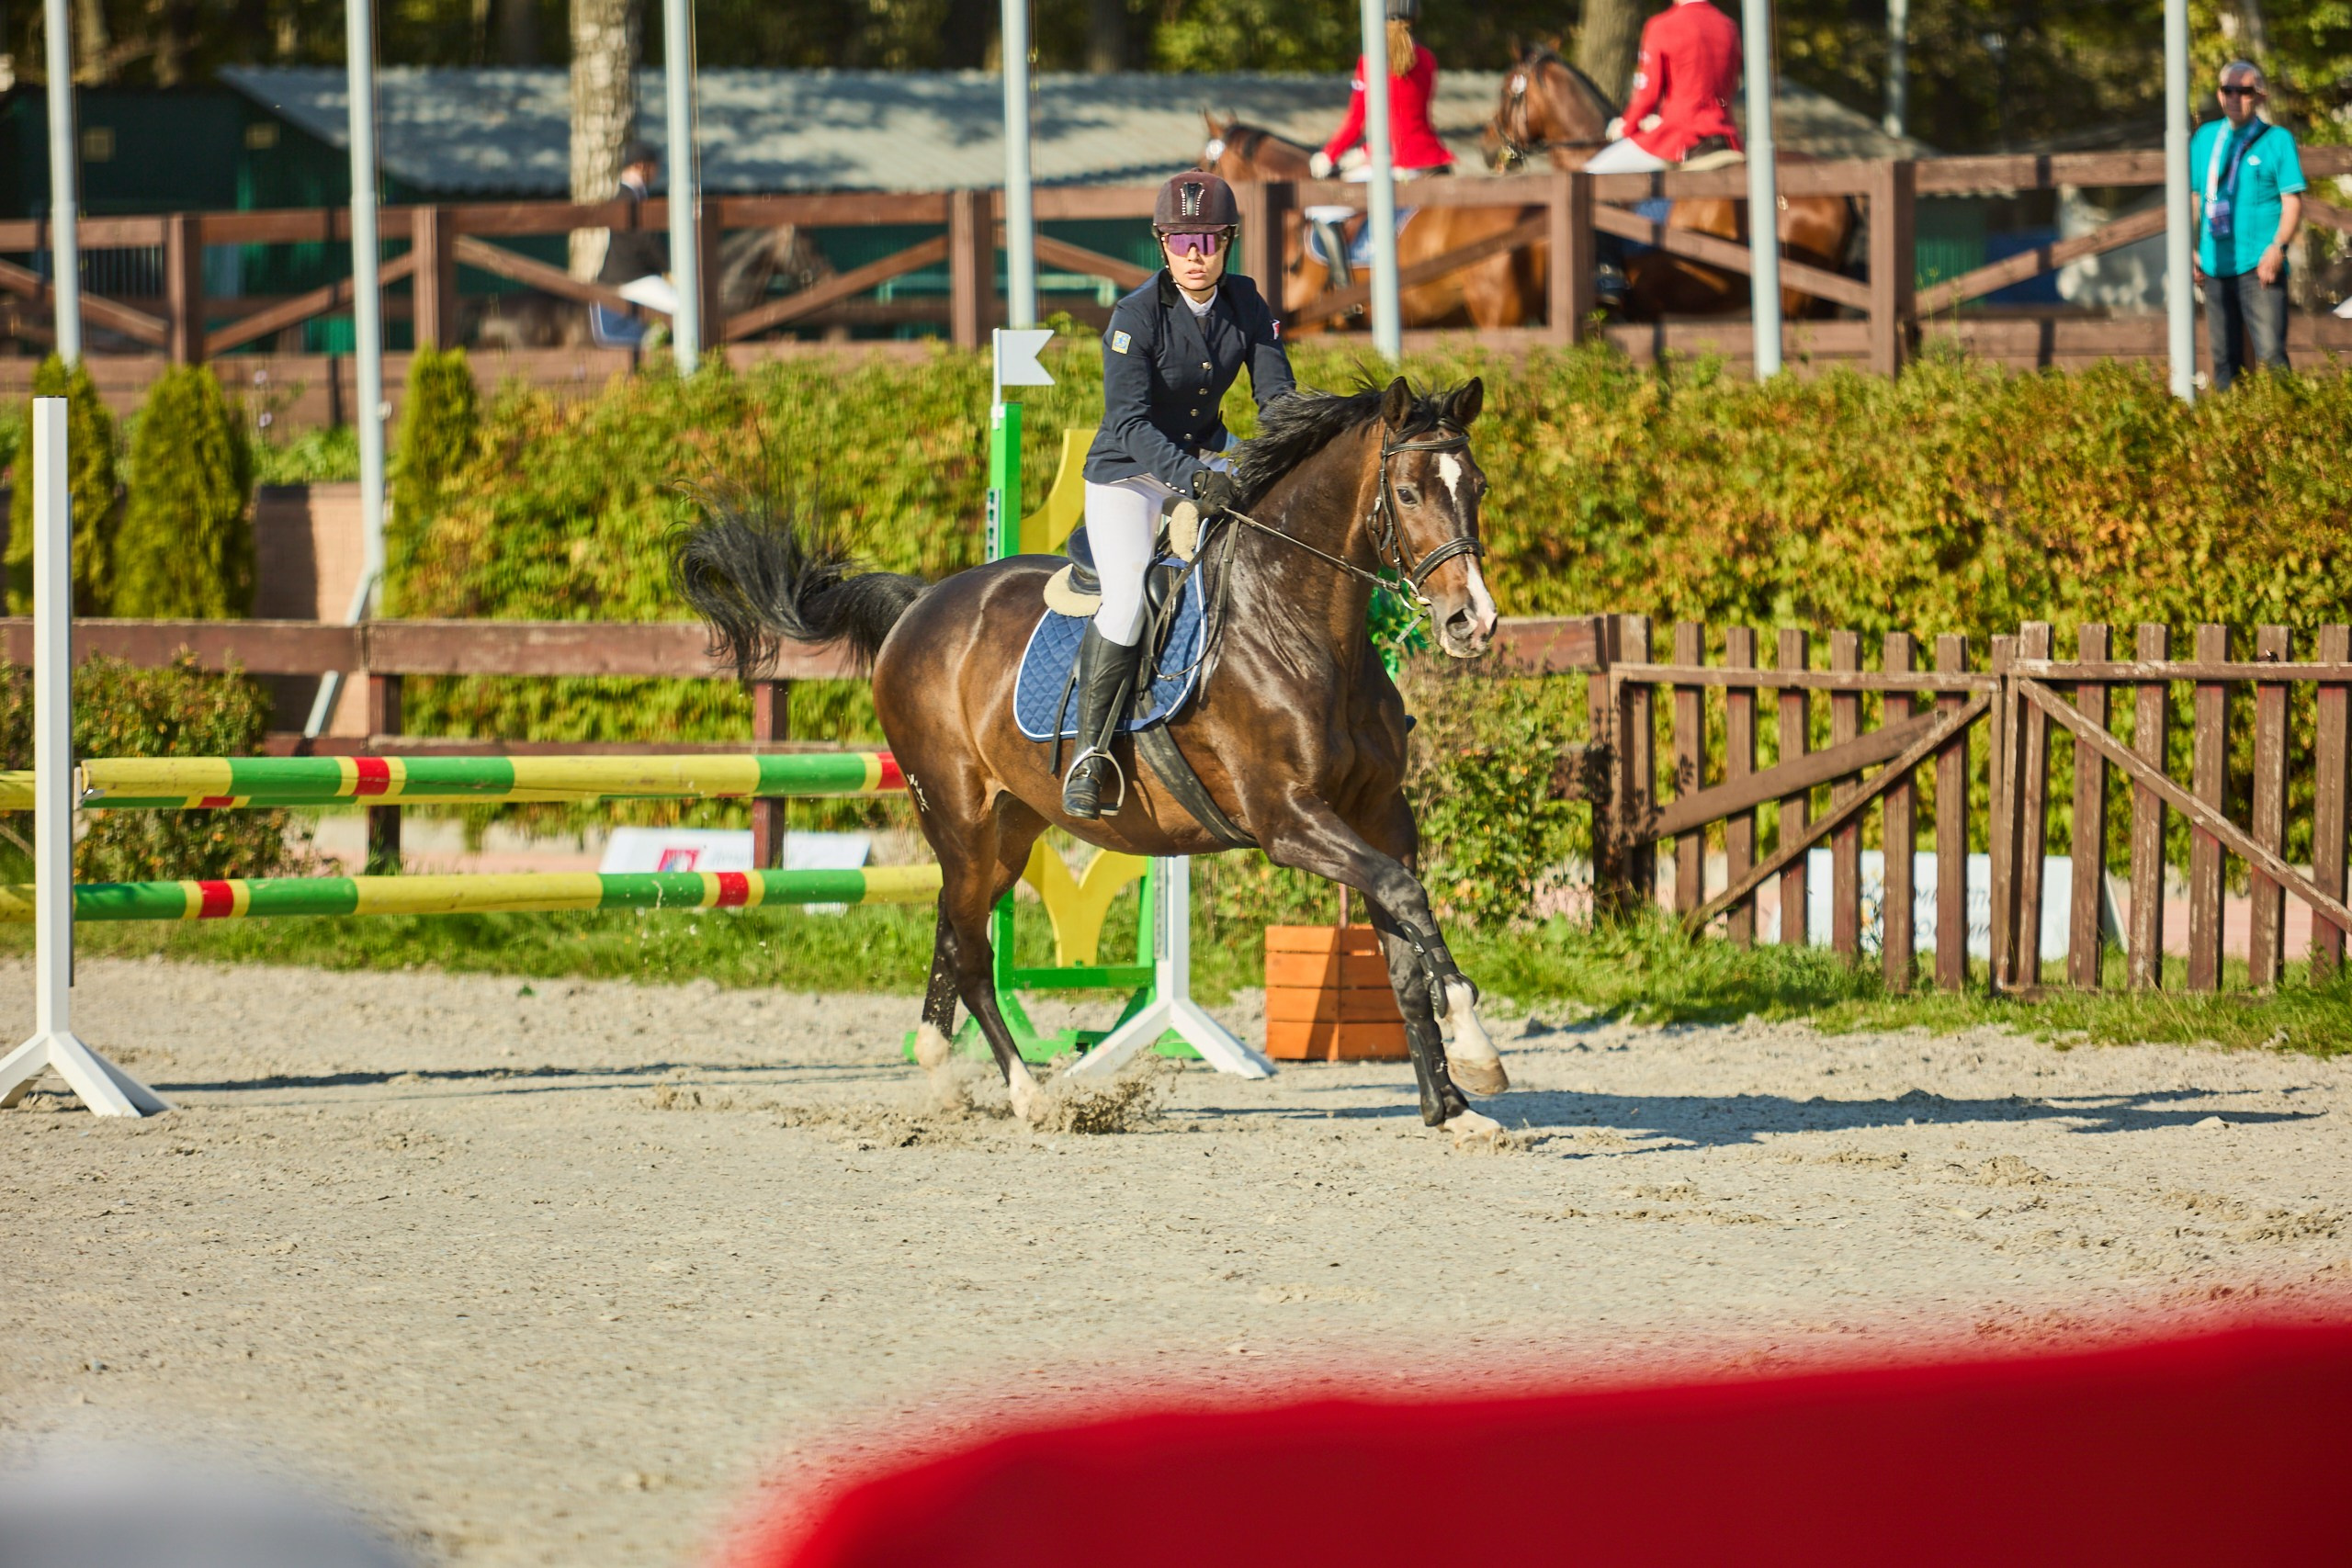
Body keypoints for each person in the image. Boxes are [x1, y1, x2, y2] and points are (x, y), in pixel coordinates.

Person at [1066, 171, 1295, 820]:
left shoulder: (1247, 303)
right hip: (1128, 475)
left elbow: (1275, 398)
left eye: (1207, 239)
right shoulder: (1133, 317)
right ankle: (1091, 753)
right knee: (1130, 593)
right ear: (1162, 246)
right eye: (1180, 239)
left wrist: (1290, 450)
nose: (1194, 253)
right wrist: (1196, 479)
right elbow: (1131, 425)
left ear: (1228, 242)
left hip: (1206, 456)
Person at [2191, 60, 2306, 390]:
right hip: (2215, 267)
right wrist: (2193, 251)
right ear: (2219, 94)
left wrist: (2278, 248)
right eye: (2228, 90)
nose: (2234, 97)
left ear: (2259, 97)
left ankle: (2283, 429)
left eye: (2243, 91)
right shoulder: (2205, 138)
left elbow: (2292, 202)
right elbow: (2195, 197)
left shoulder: (2277, 140)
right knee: (2225, 361)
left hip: (2260, 267)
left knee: (2272, 357)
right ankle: (2234, 434)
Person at [1582, 0, 1743, 175]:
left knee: (1591, 176)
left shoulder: (1663, 26)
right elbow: (1731, 86)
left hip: (1677, 137)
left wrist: (1626, 128)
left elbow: (1647, 95)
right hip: (1727, 137)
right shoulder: (1728, 26)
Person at [1308, 0, 1454, 183]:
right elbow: (1409, 119)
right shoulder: (1427, 59)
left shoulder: (1369, 61)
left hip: (1394, 163)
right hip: (1430, 158)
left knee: (1322, 209)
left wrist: (1328, 155)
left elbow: (1356, 121)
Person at [593, 141, 667, 348]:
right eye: (655, 168)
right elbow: (646, 241)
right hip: (631, 278)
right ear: (642, 166)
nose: (656, 174)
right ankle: (651, 354)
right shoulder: (628, 198)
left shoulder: (633, 196)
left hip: (637, 275)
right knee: (683, 308)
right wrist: (669, 268)